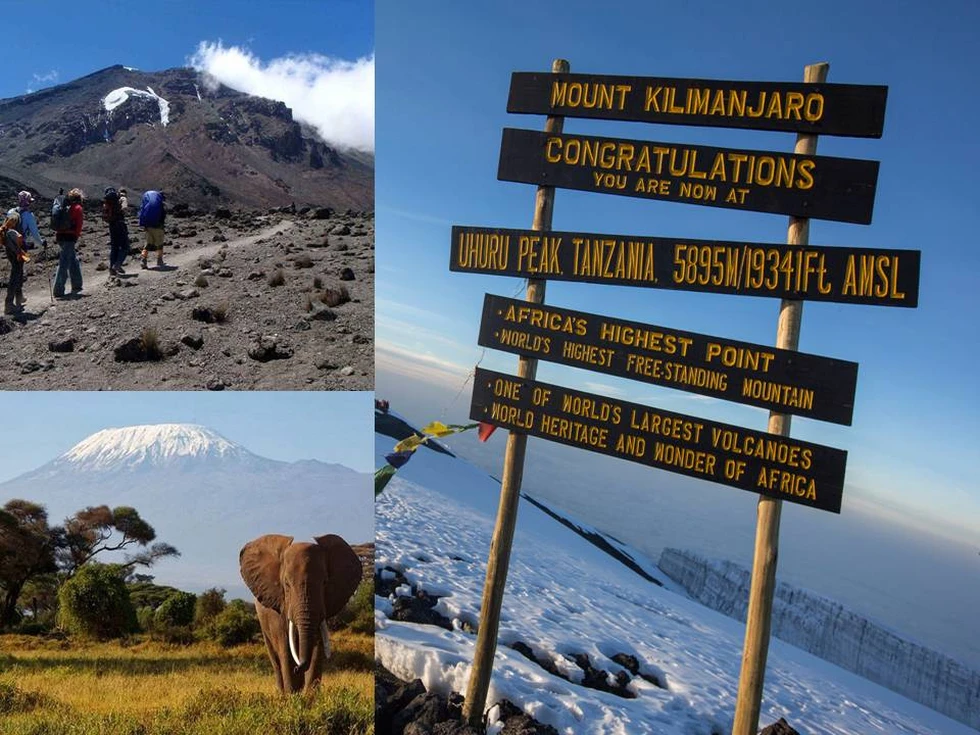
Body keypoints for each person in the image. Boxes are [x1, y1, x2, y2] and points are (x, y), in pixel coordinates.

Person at [53, 188, 84, 298]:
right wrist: (76, 236)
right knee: (64, 262)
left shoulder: (64, 207)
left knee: (72, 258)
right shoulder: (78, 208)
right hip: (70, 236)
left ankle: (77, 284)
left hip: (60, 235)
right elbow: (79, 225)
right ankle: (58, 289)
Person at [2, 211, 27, 314]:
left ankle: (18, 299)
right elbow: (17, 246)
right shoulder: (12, 233)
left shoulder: (6, 230)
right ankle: (9, 304)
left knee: (17, 274)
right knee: (15, 277)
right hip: (16, 255)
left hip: (11, 254)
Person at [102, 187, 129, 275]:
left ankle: (112, 268)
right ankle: (117, 264)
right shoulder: (122, 198)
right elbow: (124, 209)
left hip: (111, 225)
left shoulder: (107, 201)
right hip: (120, 224)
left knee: (114, 247)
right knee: (125, 247)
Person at [138, 190, 166, 268]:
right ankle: (159, 260)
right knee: (159, 244)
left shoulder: (147, 204)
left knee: (148, 243)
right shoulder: (160, 205)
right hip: (158, 227)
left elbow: (141, 212)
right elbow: (163, 216)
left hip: (148, 226)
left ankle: (143, 260)